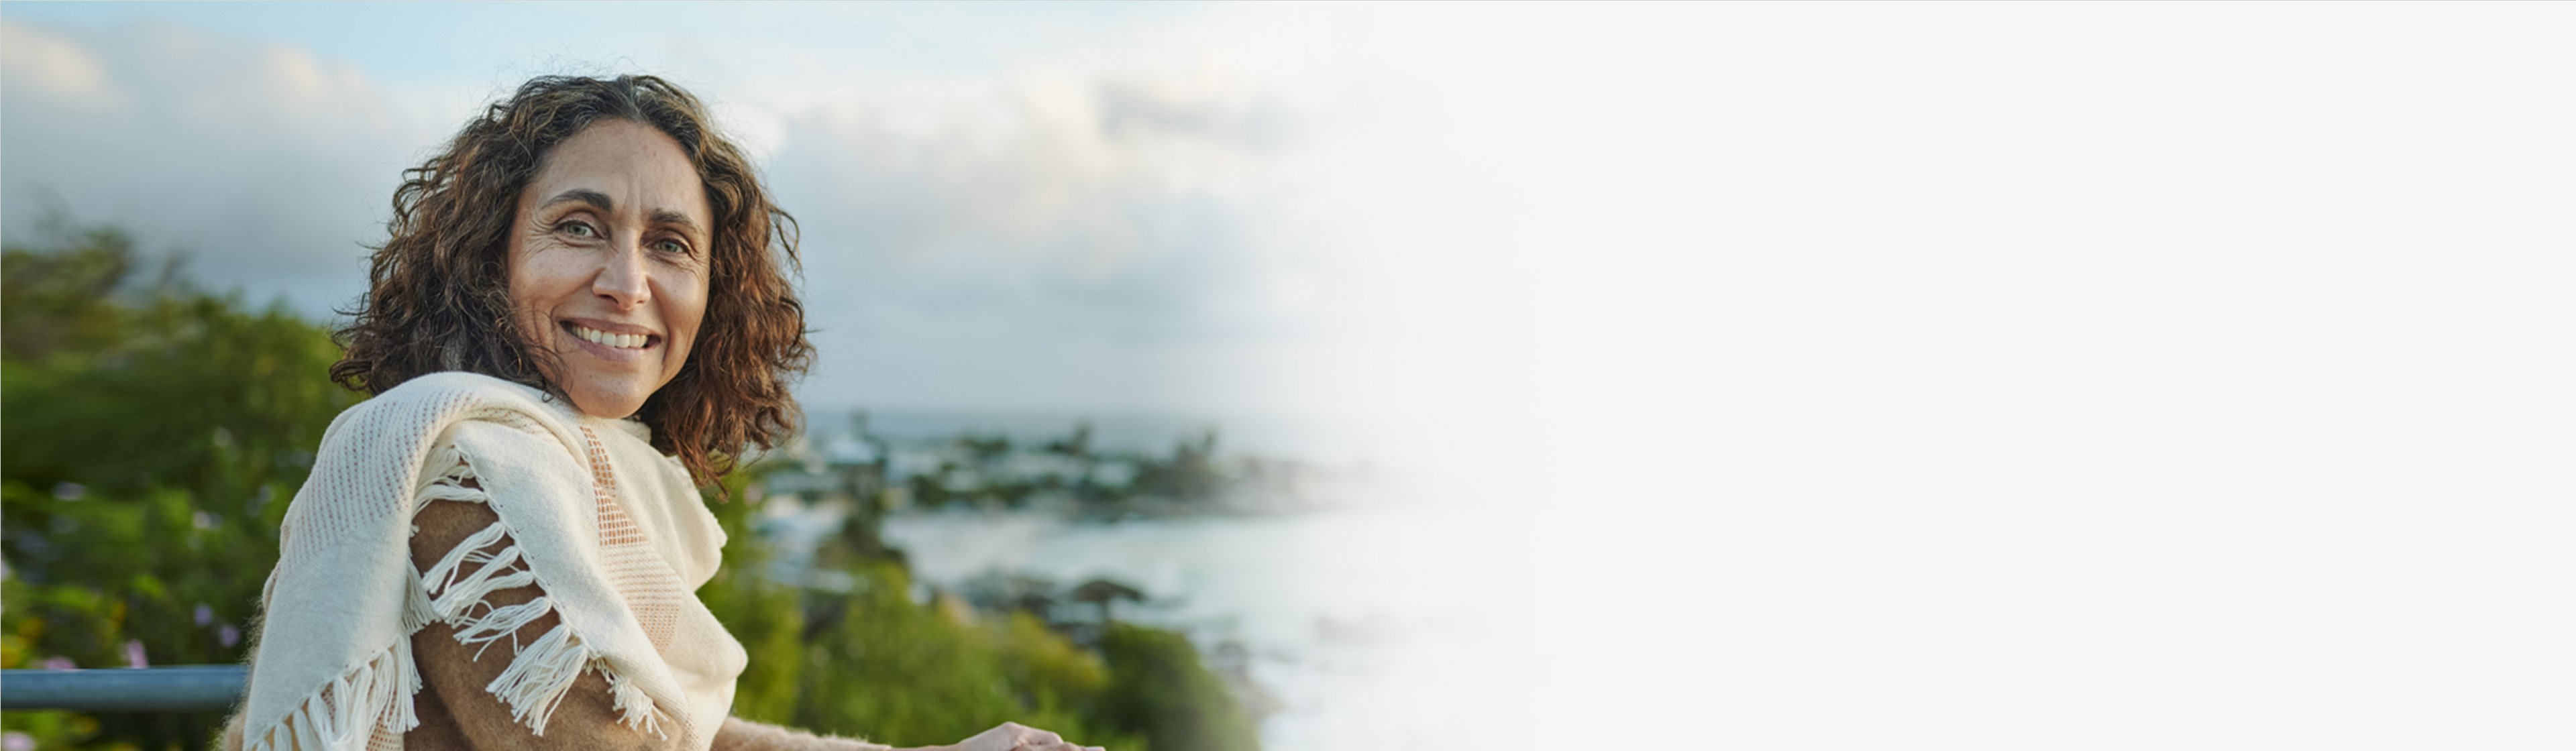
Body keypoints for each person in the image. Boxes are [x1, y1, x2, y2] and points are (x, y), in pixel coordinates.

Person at [221, 74, 1101, 751]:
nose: (626, 284)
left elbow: (664, 732)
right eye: (578, 227)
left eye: (670, 245)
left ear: (714, 295)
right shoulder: (473, 472)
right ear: (489, 260)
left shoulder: (583, 468)